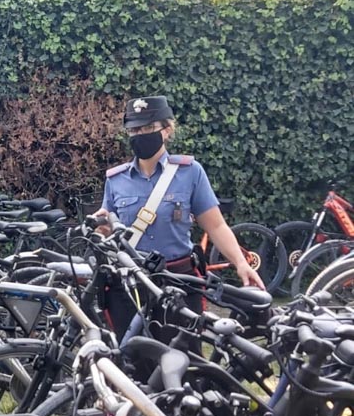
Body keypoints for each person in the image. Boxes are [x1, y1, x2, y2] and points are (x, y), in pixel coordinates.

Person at [96, 94, 265, 339]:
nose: (140, 135)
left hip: (178, 281)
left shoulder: (190, 173)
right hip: (131, 283)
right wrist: (103, 229)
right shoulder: (116, 180)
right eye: (134, 130)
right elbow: (108, 227)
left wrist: (240, 263)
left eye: (148, 128)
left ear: (166, 130)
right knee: (133, 363)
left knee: (185, 358)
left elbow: (216, 225)